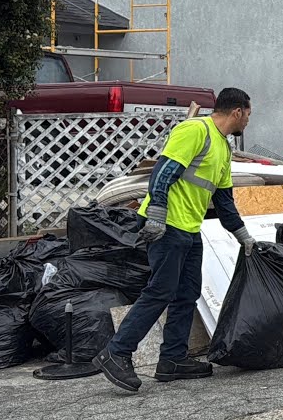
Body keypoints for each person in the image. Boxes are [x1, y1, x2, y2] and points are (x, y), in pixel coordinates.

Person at [93, 88, 256, 392]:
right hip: (166, 223)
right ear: (237, 111)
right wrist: (155, 212)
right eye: (248, 113)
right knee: (161, 291)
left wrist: (243, 236)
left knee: (187, 292)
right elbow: (163, 171)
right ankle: (116, 352)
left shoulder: (223, 148)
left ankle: (172, 359)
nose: (248, 119)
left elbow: (223, 200)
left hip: (189, 228)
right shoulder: (196, 130)